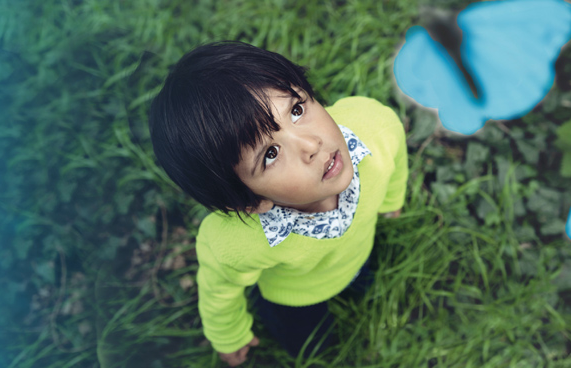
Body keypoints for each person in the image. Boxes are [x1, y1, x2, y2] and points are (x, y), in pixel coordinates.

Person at [148, 41, 407, 366]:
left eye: (296, 110)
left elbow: (395, 151)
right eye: (270, 154)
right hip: (294, 299)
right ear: (249, 201)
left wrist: (392, 200)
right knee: (312, 348)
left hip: (357, 253)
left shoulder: (373, 127)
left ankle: (357, 282)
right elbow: (219, 289)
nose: (311, 144)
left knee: (366, 283)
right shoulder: (236, 243)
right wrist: (229, 335)